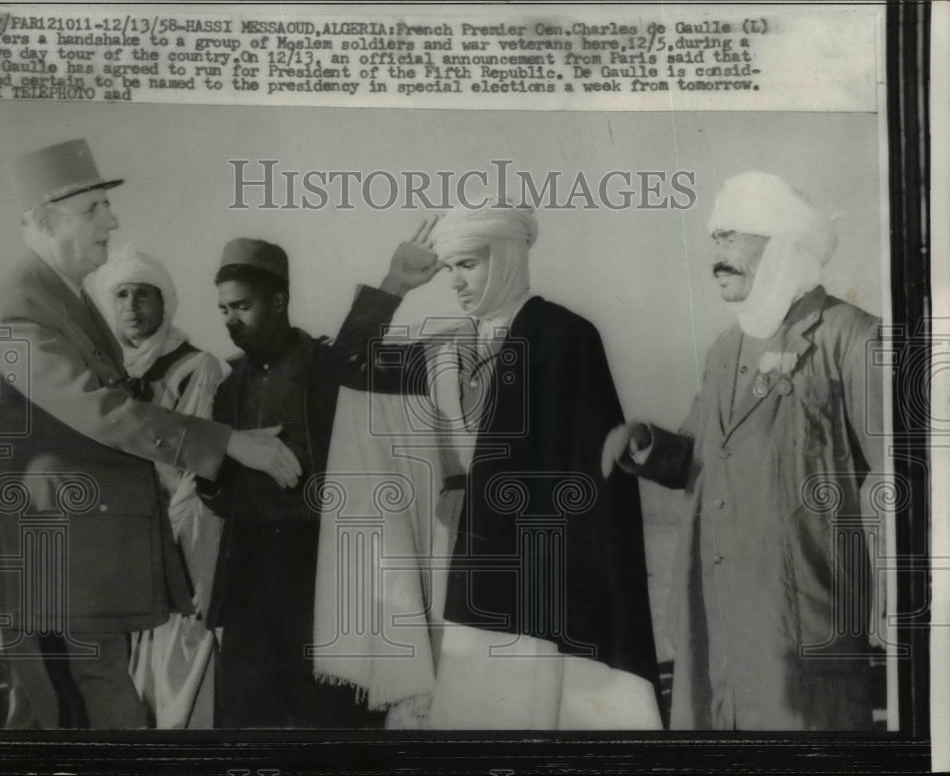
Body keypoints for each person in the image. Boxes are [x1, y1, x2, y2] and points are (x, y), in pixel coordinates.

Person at [0, 139, 305, 729]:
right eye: (95, 209)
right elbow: (99, 410)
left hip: (77, 561)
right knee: (74, 710)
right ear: (46, 221)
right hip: (54, 559)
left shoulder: (62, 297)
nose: (113, 221)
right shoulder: (17, 304)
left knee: (62, 711)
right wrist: (227, 441)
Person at [324, 203, 662, 729]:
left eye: (469, 265)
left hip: (539, 569)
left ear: (505, 258)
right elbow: (347, 366)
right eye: (451, 267)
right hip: (463, 557)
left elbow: (592, 476)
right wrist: (394, 285)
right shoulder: (447, 348)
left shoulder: (564, 334)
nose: (456, 281)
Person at [601, 171, 885, 730]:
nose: (717, 254)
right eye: (714, 239)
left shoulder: (852, 337)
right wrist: (646, 444)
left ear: (783, 243)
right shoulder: (725, 348)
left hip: (801, 620)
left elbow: (903, 476)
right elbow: (697, 460)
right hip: (715, 616)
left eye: (731, 236)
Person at [195, 238, 383, 729]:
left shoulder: (321, 364)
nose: (230, 320)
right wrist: (232, 455)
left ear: (278, 301)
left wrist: (396, 283)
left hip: (318, 567)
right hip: (249, 574)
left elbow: (357, 342)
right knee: (245, 721)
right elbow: (209, 490)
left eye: (242, 305)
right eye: (222, 309)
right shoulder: (228, 382)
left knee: (328, 719)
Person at [92, 247, 227, 728]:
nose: (131, 306)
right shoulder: (104, 368)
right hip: (119, 530)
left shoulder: (195, 365)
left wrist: (172, 529)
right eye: (122, 295)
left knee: (178, 641)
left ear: (164, 303)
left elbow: (200, 459)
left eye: (143, 295)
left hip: (181, 524)